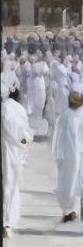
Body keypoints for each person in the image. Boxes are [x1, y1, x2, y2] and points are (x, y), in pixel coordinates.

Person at [0, 79, 33, 237]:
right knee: (10, 185)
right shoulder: (17, 108)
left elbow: (13, 132)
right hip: (12, 152)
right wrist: (24, 143)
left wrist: (22, 141)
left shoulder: (5, 108)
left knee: (6, 184)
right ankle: (6, 222)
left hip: (7, 150)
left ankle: (5, 222)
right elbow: (23, 133)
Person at [51, 89, 83, 223]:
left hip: (79, 153)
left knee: (78, 181)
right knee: (68, 181)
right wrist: (59, 154)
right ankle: (68, 211)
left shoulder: (79, 115)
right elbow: (58, 137)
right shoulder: (64, 116)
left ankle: (75, 209)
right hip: (68, 155)